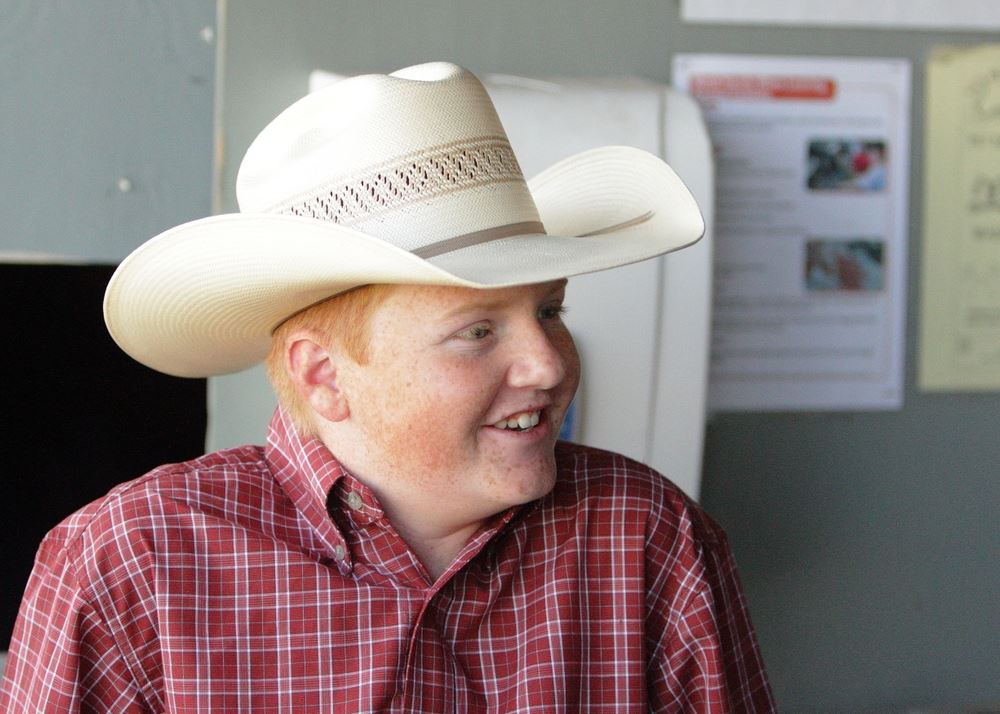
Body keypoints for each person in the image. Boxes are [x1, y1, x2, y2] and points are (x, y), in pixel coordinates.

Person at [1, 62, 775, 712]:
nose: (548, 363)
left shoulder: (647, 536)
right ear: (324, 376)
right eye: (478, 330)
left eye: (549, 309)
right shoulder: (132, 564)